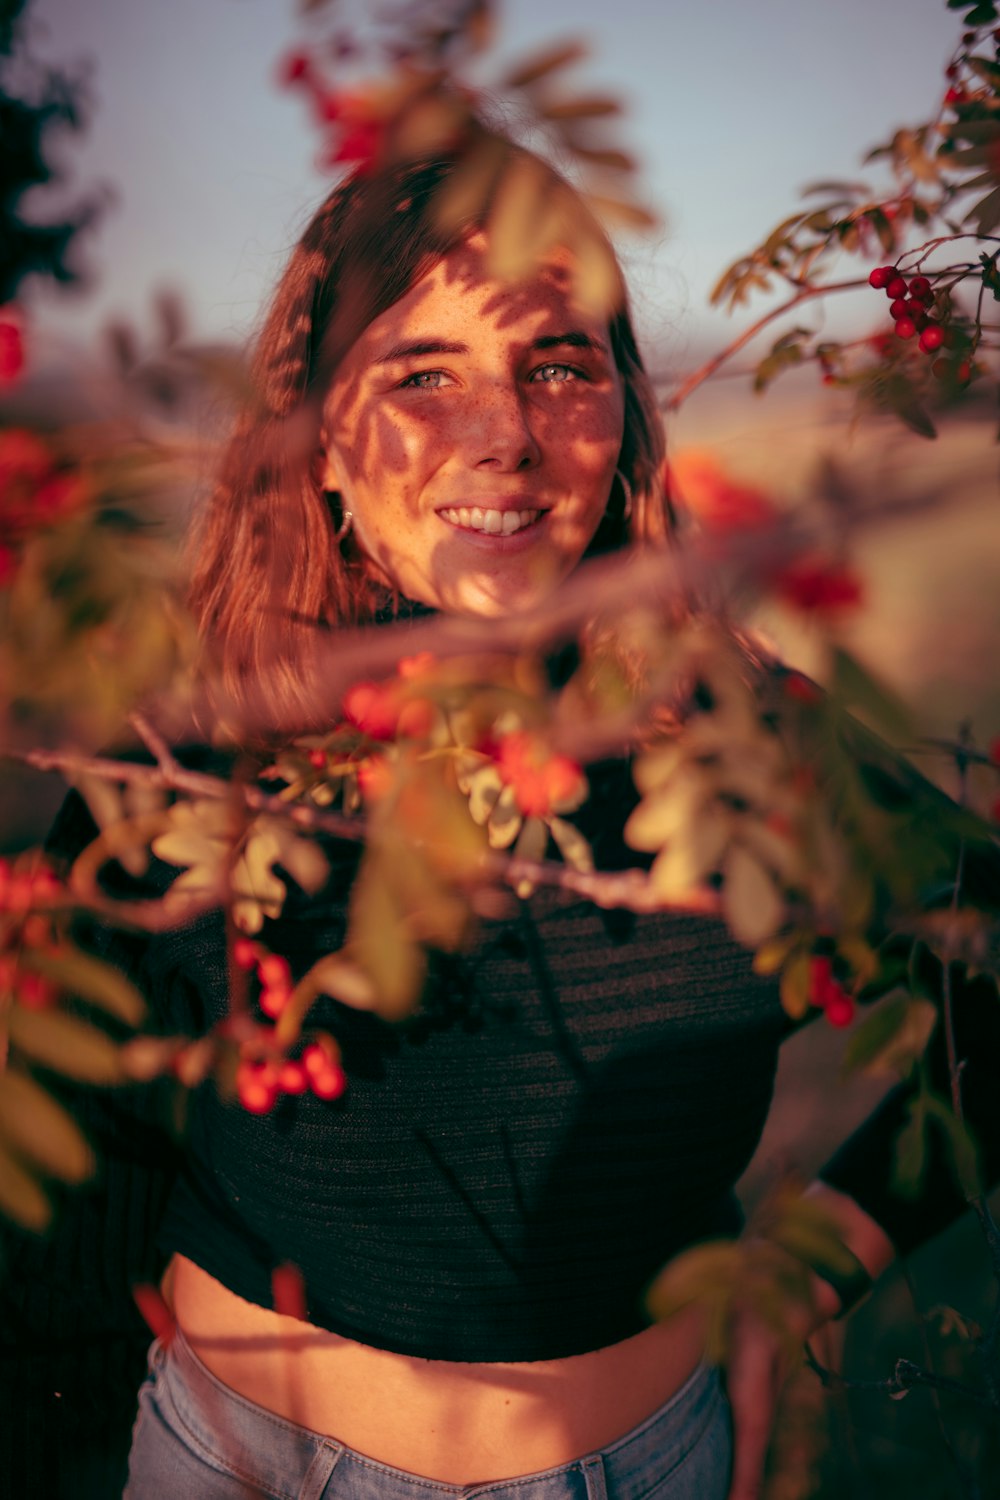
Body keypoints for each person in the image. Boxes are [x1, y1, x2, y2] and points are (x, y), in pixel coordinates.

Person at [6, 139, 998, 1500]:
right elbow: (71, 1178)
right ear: (322, 449)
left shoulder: (750, 745)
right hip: (228, 1462)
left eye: (558, 367)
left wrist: (805, 1271)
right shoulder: (196, 760)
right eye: (422, 376)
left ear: (625, 415)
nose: (505, 435)